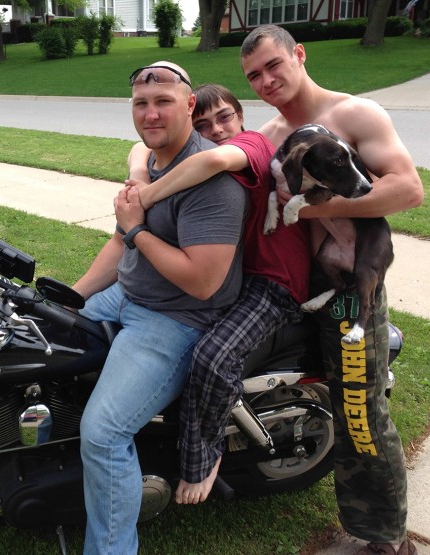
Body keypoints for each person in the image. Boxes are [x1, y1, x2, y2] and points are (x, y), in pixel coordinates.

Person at [239, 24, 424, 555]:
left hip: (348, 291)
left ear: (299, 55)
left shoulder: (354, 115)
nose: (267, 80)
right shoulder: (274, 133)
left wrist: (315, 207)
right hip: (295, 288)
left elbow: (407, 188)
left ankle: (385, 539)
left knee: (360, 412)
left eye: (275, 65)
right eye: (255, 75)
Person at [72, 62, 248, 555]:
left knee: (104, 433)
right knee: (39, 345)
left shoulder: (213, 179)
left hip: (176, 318)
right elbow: (119, 242)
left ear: (189, 105)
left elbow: (203, 281)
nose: (150, 114)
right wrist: (74, 296)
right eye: (141, 104)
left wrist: (136, 230)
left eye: (163, 102)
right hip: (127, 295)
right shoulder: (148, 163)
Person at [124, 83, 312, 505]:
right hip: (240, 276)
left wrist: (147, 195)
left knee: (212, 355)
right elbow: (139, 151)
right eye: (204, 124)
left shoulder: (253, 145)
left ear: (241, 116)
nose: (217, 129)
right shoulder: (202, 164)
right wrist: (138, 175)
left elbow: (214, 156)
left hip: (275, 282)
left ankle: (201, 461)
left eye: (224, 116)